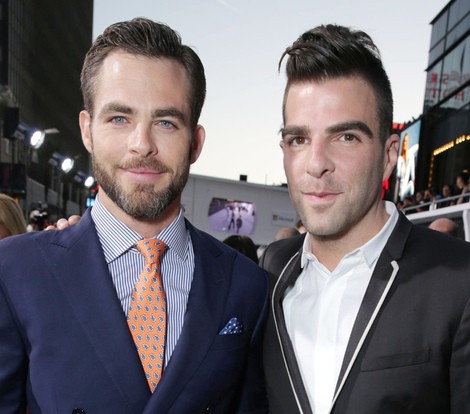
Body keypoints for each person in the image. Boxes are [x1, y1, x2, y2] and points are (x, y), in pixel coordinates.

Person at [0, 18, 269, 413]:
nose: (142, 144)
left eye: (165, 122)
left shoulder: (248, 287)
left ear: (195, 142)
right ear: (87, 130)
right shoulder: (15, 271)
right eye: (119, 118)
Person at [260, 24, 470, 414]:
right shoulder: (272, 270)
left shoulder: (460, 279)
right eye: (299, 139)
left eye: (346, 137)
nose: (316, 164)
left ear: (389, 154)